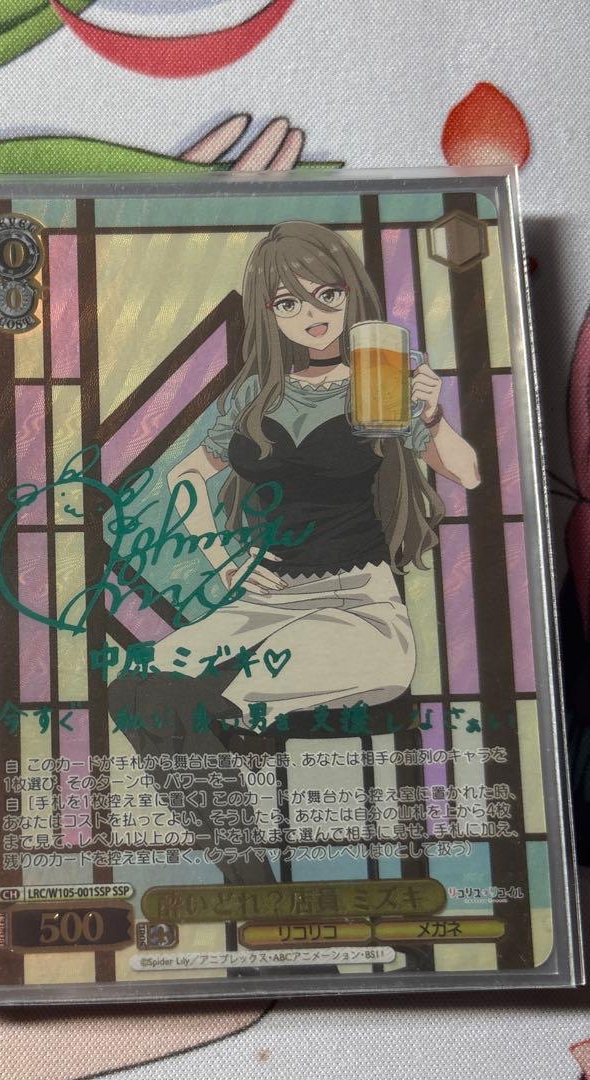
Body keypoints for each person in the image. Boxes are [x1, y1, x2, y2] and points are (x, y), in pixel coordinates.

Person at [110, 220, 481, 885]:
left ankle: (250, 886)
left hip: (358, 611)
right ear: (269, 312)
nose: (312, 315)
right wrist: (227, 563)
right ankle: (251, 879)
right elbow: (186, 476)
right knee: (136, 691)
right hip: (267, 603)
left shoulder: (380, 379)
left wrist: (432, 417)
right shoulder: (257, 394)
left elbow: (469, 473)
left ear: (351, 294)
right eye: (289, 302)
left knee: (191, 701)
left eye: (326, 294)